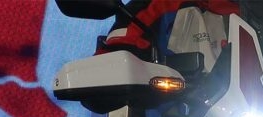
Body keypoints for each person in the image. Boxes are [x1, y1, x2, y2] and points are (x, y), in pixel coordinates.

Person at [99, 0, 239, 72]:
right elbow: (110, 60)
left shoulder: (243, 8)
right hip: (174, 106)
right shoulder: (148, 8)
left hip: (237, 103)